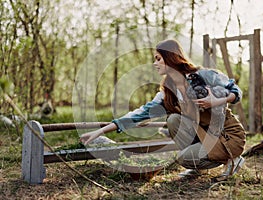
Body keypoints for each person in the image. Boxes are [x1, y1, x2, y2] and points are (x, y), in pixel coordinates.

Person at [80, 39, 246, 178]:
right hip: (205, 135)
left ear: (171, 57)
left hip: (228, 136)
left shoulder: (202, 75)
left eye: (158, 58)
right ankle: (197, 168)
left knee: (183, 158)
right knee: (173, 120)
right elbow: (137, 115)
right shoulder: (167, 93)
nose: (155, 63)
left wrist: (217, 101)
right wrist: (98, 133)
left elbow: (235, 90)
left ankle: (232, 159)